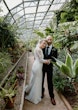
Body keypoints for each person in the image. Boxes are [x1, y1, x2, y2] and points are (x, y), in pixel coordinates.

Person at [24, 39, 50, 104]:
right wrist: (47, 61)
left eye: (45, 44)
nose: (44, 45)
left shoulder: (37, 48)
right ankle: (34, 97)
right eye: (43, 43)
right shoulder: (38, 49)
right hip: (38, 66)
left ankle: (29, 91)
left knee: (35, 80)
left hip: (36, 65)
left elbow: (39, 59)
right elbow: (41, 60)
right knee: (37, 82)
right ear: (40, 42)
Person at [42, 35, 58, 105]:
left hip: (49, 68)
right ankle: (41, 92)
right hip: (42, 67)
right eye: (48, 39)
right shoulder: (43, 47)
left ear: (52, 40)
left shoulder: (55, 49)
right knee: (41, 81)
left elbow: (55, 59)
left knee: (50, 82)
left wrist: (50, 60)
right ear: (46, 40)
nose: (49, 41)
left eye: (50, 39)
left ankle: (52, 97)